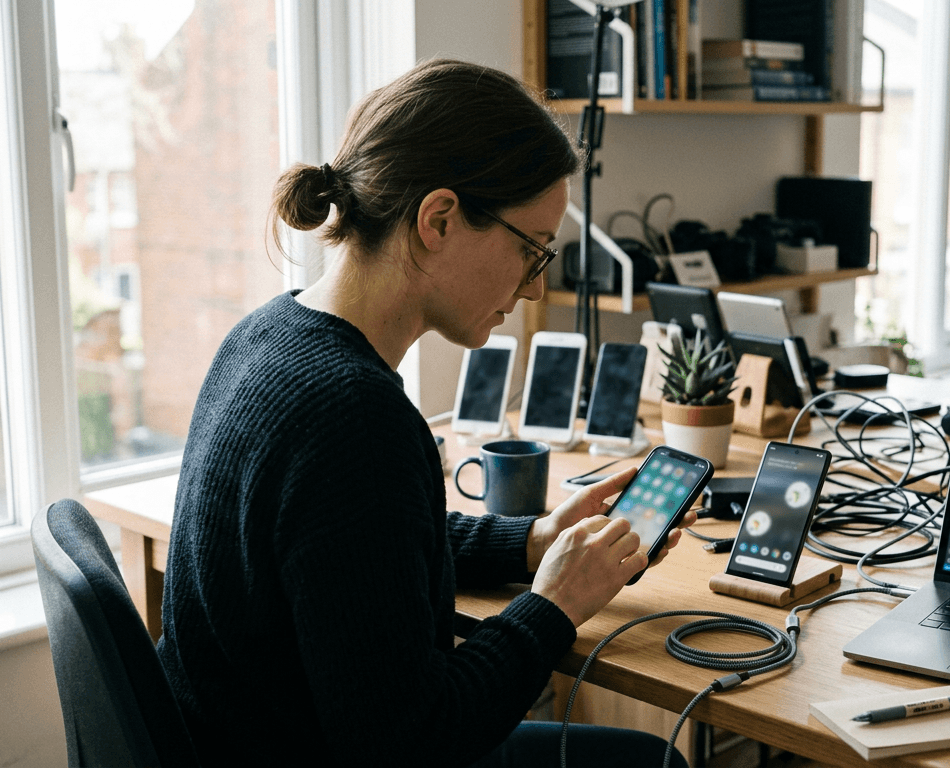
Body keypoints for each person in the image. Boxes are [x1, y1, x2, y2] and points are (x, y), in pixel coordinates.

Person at [156, 59, 696, 768]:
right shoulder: (354, 416)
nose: (535, 288)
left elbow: (354, 552)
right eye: (532, 249)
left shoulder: (266, 334)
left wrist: (529, 541)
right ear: (439, 218)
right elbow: (413, 742)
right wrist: (555, 606)